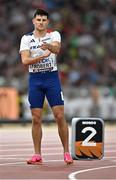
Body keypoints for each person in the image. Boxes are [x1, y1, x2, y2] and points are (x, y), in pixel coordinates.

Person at [19, 8, 73, 165]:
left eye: (44, 20)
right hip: (35, 80)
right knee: (36, 118)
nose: (41, 22)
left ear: (47, 22)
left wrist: (47, 47)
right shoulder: (26, 38)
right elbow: (25, 61)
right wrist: (42, 56)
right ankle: (37, 154)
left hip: (51, 79)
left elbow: (56, 49)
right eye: (38, 20)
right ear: (33, 21)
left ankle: (66, 152)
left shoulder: (54, 35)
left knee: (59, 116)